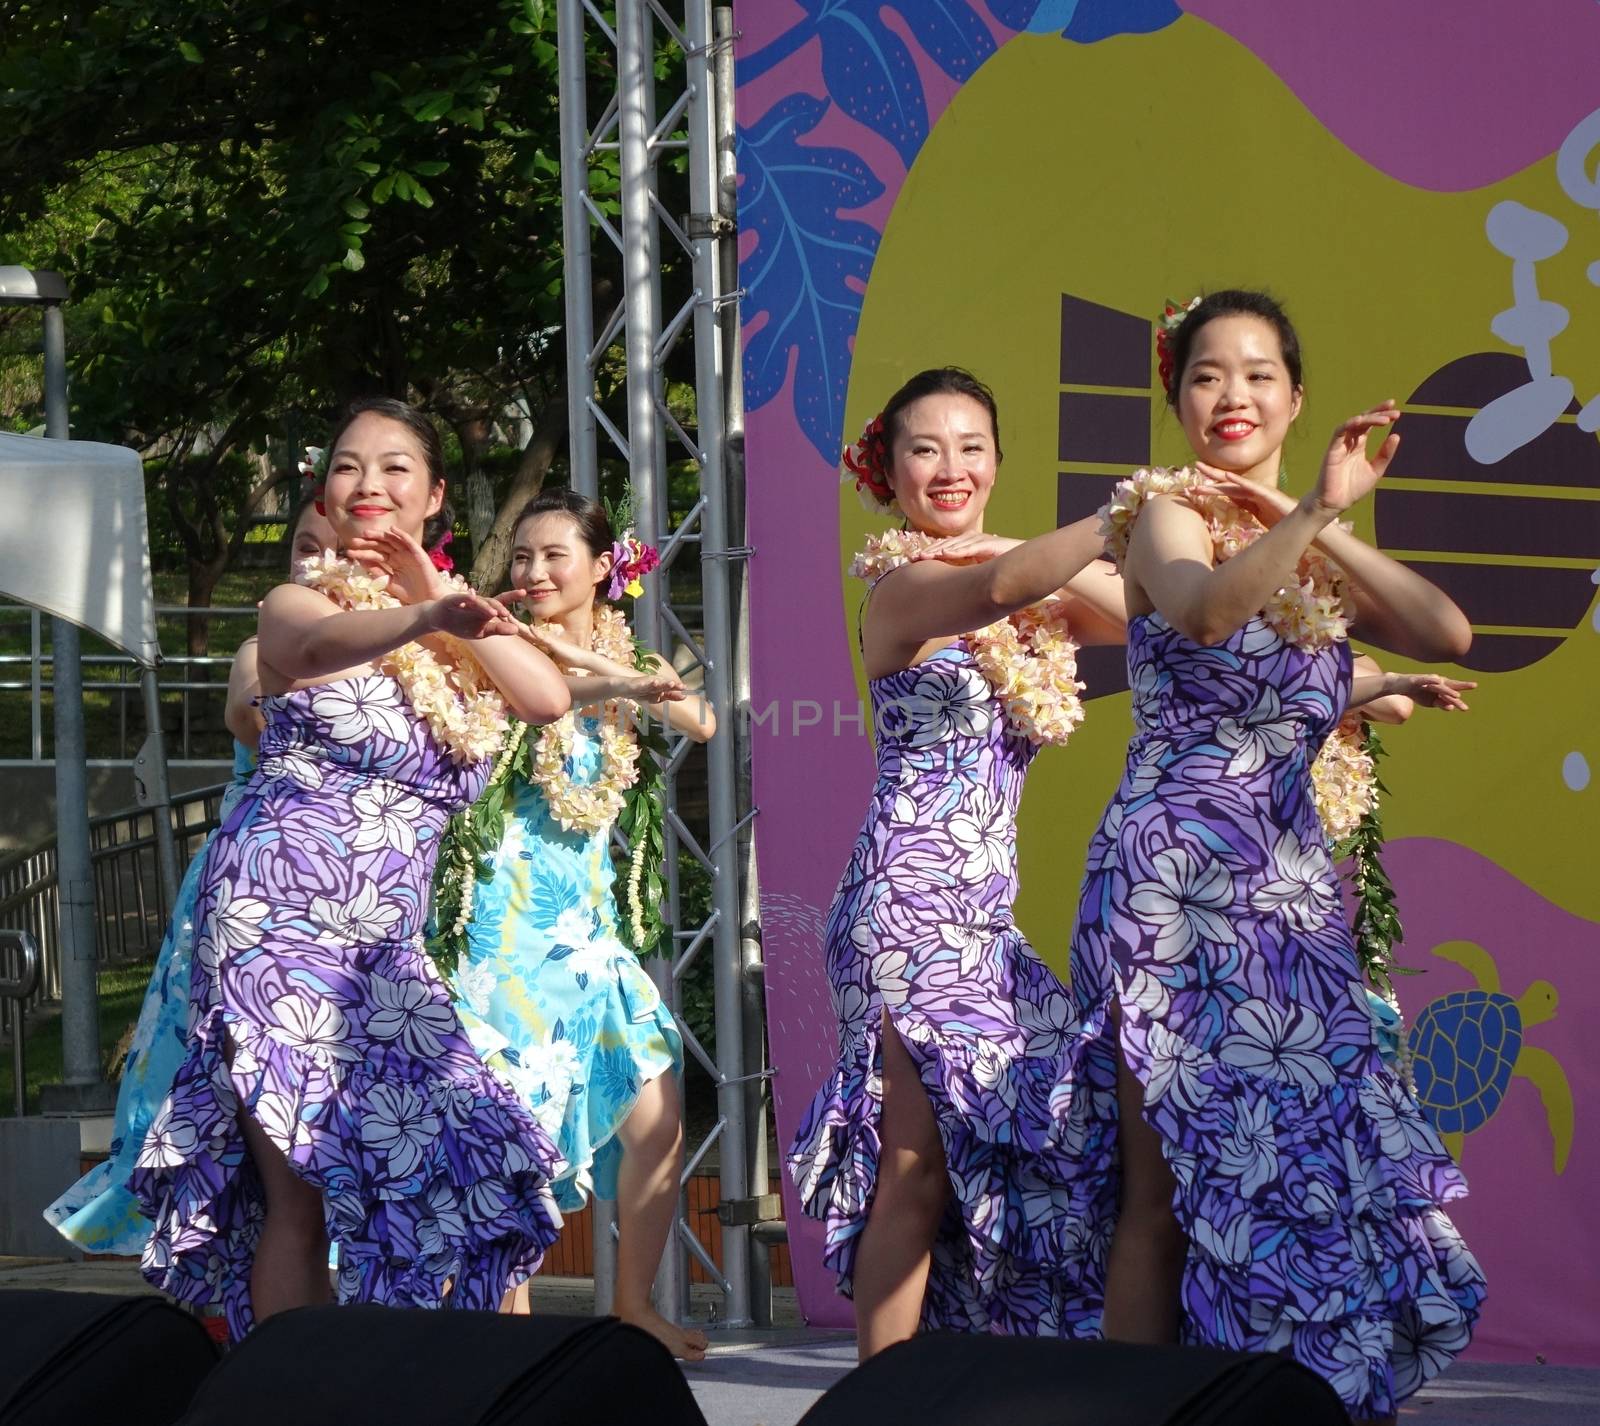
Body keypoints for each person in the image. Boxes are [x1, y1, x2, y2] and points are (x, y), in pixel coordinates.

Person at [1064, 290, 1486, 1421]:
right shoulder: (1161, 511)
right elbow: (1203, 615)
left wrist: (1327, 522)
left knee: (1313, 1165)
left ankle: (1297, 1403)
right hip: (1172, 887)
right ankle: (1142, 1412)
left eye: (1258, 374)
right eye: (1206, 374)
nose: (1232, 395)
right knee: (1162, 1186)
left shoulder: (1308, 539)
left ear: (1296, 399)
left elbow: (1448, 632)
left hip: (1288, 894)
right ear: (1176, 399)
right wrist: (1300, 513)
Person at [129, 397, 573, 1340]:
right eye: (346, 466)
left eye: (395, 468)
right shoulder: (294, 601)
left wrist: (437, 602)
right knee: (299, 1186)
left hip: (383, 948)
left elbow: (543, 695)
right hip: (273, 920)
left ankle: (403, 1377)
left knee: (465, 1150)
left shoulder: (458, 633)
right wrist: (420, 613)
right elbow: (309, 651)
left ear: (436, 494)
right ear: (323, 490)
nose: (367, 484)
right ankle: (295, 1398)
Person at [787, 367, 1126, 1358]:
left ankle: (976, 1377)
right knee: (912, 1162)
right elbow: (1001, 584)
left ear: (996, 461)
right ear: (885, 471)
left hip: (982, 919)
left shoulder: (1029, 586)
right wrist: (1122, 514)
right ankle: (884, 1401)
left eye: (972, 445)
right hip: (903, 905)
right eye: (925, 448)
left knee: (1036, 1131)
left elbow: (1156, 614)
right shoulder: (903, 587)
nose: (951, 467)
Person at [436, 488, 714, 1359]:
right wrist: (599, 671)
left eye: (556, 555)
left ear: (603, 569)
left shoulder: (631, 657)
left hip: (591, 934)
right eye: (522, 556)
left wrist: (627, 676)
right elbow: (548, 694)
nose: (535, 571)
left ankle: (633, 1306)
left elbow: (699, 719)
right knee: (511, 1134)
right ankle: (503, 1327)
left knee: (659, 1123)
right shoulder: (494, 645)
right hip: (506, 927)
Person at [44, 499, 337, 1255]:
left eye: (330, 547)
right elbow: (250, 712)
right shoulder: (260, 649)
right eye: (303, 545)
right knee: (236, 1101)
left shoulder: (413, 654)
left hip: (367, 902)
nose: (315, 560)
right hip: (255, 901)